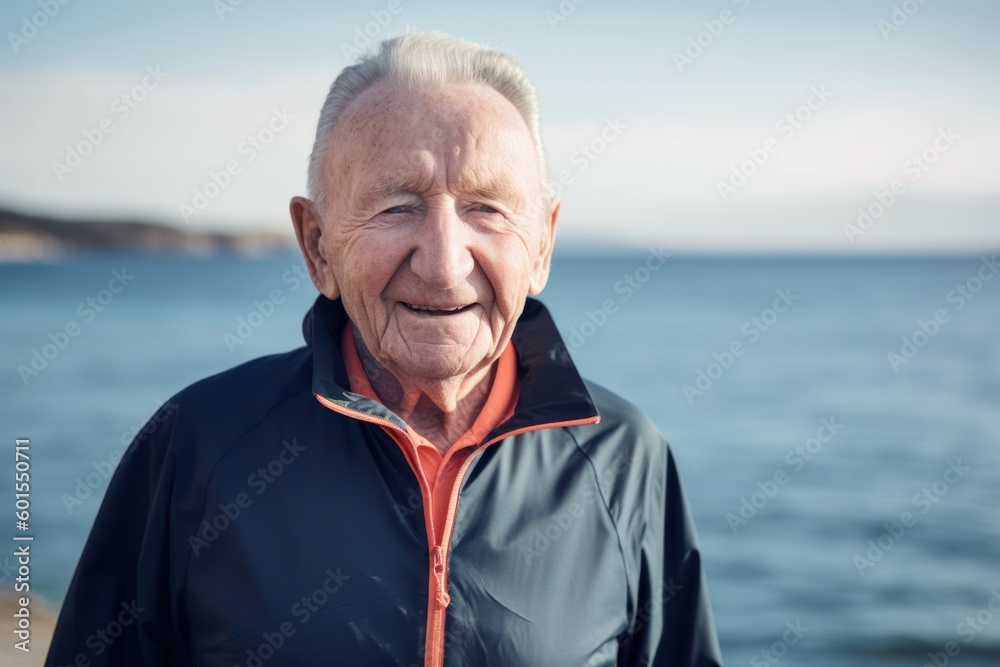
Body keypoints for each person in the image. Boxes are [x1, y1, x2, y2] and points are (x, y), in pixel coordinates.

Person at [45, 32, 723, 667]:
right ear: (317, 245)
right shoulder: (196, 445)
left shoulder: (625, 459)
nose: (443, 262)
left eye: (487, 207)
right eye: (397, 205)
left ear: (542, 243)